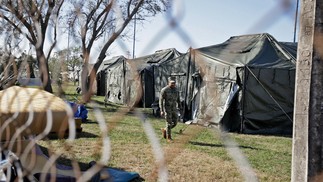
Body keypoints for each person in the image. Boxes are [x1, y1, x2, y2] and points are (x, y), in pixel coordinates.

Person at [159, 77, 181, 142]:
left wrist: (180, 105)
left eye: (174, 83)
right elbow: (161, 100)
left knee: (175, 122)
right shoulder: (164, 90)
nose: (173, 84)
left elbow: (178, 99)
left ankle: (165, 130)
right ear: (168, 83)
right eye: (171, 83)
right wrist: (161, 110)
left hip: (174, 108)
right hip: (167, 108)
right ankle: (169, 137)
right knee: (169, 122)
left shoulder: (176, 90)